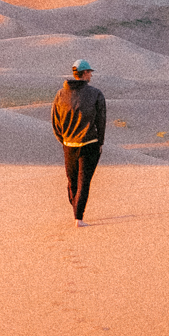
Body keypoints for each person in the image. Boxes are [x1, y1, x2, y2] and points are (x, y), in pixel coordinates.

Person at [52, 58, 105, 225]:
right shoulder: (96, 94)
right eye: (90, 72)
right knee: (84, 181)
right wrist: (100, 142)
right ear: (85, 73)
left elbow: (55, 121)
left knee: (72, 180)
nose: (91, 75)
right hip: (90, 143)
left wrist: (64, 139)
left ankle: (76, 212)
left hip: (69, 144)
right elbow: (101, 120)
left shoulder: (61, 94)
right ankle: (78, 217)